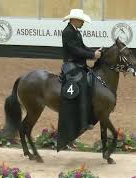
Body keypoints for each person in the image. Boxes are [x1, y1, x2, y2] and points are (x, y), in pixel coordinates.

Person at [57, 9, 101, 151]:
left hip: (79, 63)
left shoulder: (76, 31)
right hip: (70, 65)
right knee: (81, 84)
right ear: (75, 20)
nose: (83, 23)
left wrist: (94, 51)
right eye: (81, 20)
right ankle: (82, 120)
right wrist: (92, 55)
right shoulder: (68, 32)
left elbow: (82, 47)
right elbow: (75, 51)